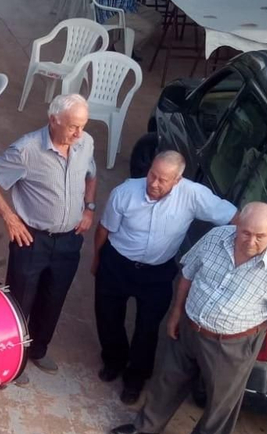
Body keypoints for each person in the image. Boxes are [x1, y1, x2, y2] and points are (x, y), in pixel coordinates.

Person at [110, 202, 267, 434]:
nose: (251, 241)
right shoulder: (217, 237)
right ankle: (146, 425)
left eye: (260, 236)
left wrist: (256, 327)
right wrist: (175, 313)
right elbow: (188, 274)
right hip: (191, 327)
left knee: (221, 400)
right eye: (245, 232)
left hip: (232, 343)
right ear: (237, 224)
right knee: (168, 378)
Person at [92, 150, 235, 403]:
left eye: (163, 180)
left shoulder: (193, 195)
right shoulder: (125, 192)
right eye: (152, 175)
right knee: (108, 316)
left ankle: (135, 378)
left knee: (147, 328)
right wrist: (97, 259)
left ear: (177, 180)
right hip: (117, 262)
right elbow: (104, 229)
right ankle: (113, 360)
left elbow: (233, 216)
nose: (154, 184)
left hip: (157, 272)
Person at [0, 94, 97, 380]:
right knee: (20, 299)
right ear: (53, 120)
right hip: (31, 240)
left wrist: (89, 208)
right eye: (72, 127)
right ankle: (14, 360)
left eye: (82, 126)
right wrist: (9, 217)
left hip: (69, 239)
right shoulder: (26, 150)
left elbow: (91, 174)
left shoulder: (85, 143)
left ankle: (39, 350)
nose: (78, 134)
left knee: (54, 297)